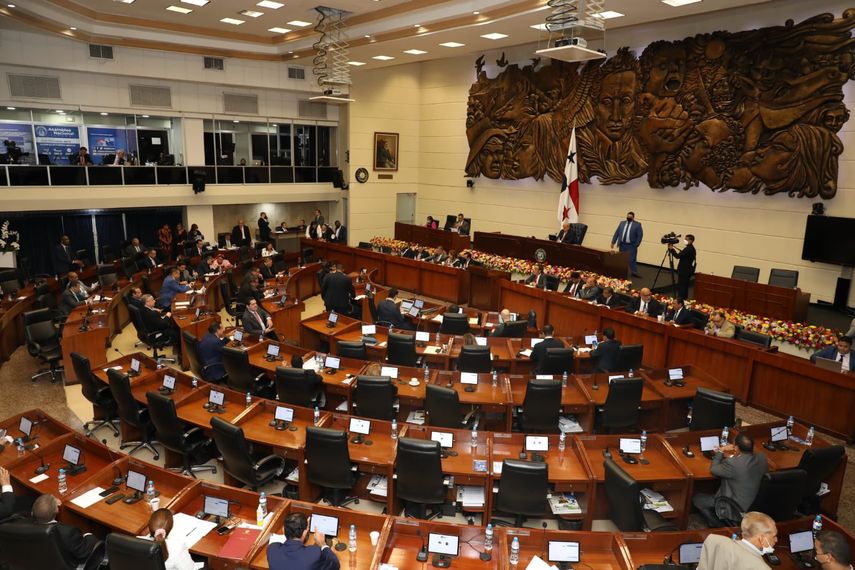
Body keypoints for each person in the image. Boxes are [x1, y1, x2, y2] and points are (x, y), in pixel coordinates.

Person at [692, 433, 768, 527]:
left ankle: (720, 526)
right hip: (754, 505)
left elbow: (714, 469)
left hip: (735, 508)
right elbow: (743, 463)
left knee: (698, 499)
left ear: (736, 447)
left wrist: (721, 450)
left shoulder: (733, 464)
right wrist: (734, 456)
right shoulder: (762, 458)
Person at [31, 494, 99, 566]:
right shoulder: (68, 532)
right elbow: (83, 553)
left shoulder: (27, 527)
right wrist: (88, 536)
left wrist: (51, 503)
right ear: (57, 510)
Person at [697, 511, 777, 570]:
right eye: (774, 536)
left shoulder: (715, 540)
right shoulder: (760, 567)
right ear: (761, 538)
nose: (776, 540)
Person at [267, 512, 340, 570]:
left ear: (283, 530)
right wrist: (323, 544)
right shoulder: (314, 553)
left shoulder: (272, 549)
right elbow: (335, 565)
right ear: (305, 532)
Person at [611, 211, 643, 277]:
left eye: (630, 217)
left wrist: (636, 244)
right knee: (622, 259)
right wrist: (613, 242)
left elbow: (640, 235)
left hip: (631, 245)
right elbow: (617, 232)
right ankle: (621, 271)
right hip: (622, 244)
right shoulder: (622, 223)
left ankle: (634, 272)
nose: (629, 217)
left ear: (633, 217)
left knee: (632, 259)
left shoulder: (637, 224)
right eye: (628, 216)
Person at [670, 234, 696, 300]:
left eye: (686, 239)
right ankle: (684, 298)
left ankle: (680, 299)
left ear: (691, 241)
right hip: (688, 270)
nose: (684, 240)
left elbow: (677, 256)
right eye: (685, 239)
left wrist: (671, 249)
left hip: (684, 271)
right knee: (685, 285)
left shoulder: (688, 249)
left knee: (682, 286)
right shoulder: (691, 248)